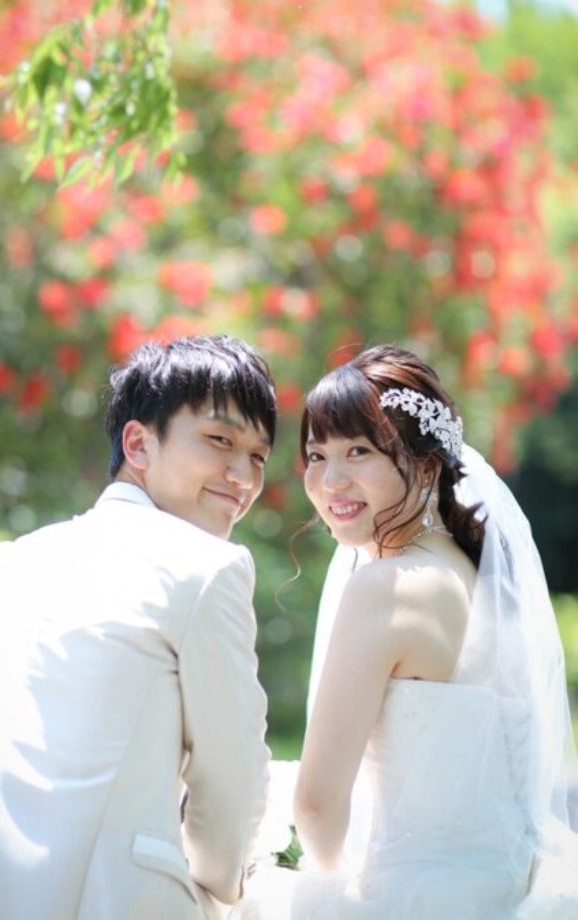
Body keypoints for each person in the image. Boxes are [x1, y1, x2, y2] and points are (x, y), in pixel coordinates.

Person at [0, 334, 277, 920]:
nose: (243, 476)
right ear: (138, 443)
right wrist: (219, 892)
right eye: (221, 440)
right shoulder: (208, 570)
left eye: (258, 457)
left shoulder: (12, 560)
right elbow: (233, 777)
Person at [232, 343, 578, 919]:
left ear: (426, 465)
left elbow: (317, 807)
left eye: (359, 451)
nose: (331, 480)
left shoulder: (385, 589)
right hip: (501, 894)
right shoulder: (481, 578)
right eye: (316, 455)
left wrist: (320, 887)